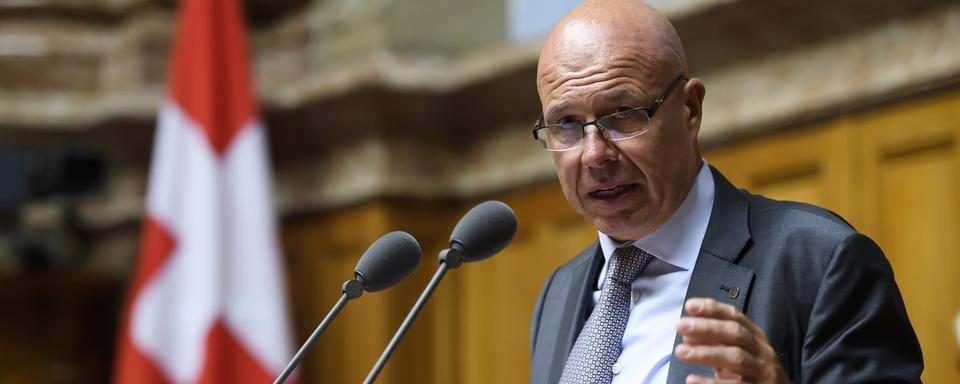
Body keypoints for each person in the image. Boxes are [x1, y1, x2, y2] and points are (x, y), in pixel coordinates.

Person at [527, 1, 923, 383]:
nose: (595, 153)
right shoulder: (559, 291)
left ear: (691, 110)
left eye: (624, 114)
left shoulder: (820, 260)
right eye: (566, 123)